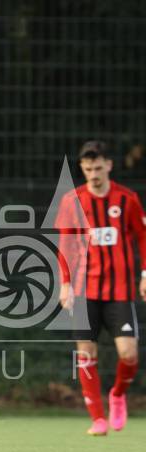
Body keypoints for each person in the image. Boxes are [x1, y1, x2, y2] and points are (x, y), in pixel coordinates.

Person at [57, 140, 144, 436]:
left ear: (108, 165)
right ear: (82, 169)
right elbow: (65, 245)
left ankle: (118, 394)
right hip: (84, 290)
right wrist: (65, 283)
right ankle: (98, 419)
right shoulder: (72, 201)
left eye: (97, 168)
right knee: (85, 351)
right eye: (87, 169)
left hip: (119, 290)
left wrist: (145, 274)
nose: (93, 174)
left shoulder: (127, 199)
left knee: (129, 354)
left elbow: (143, 237)